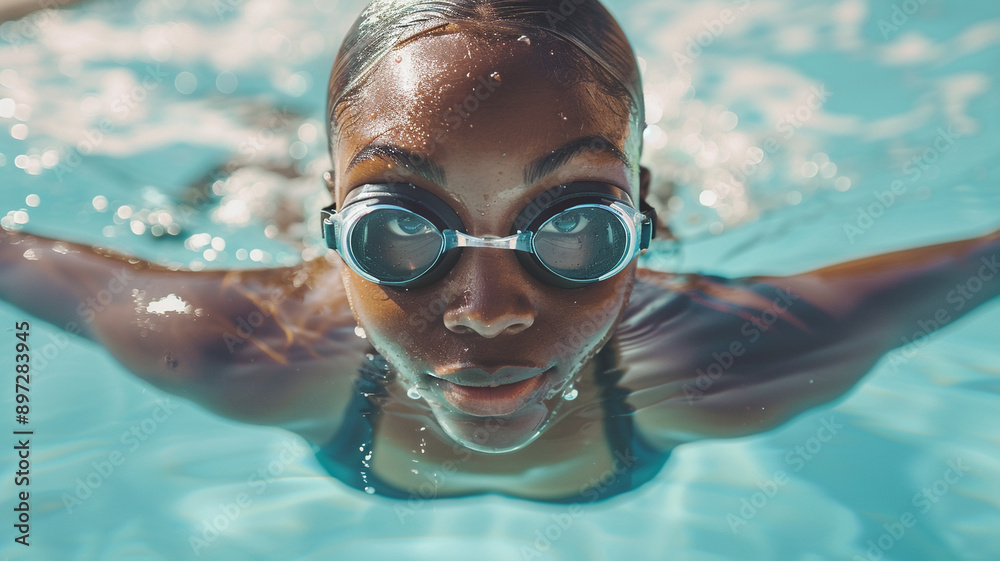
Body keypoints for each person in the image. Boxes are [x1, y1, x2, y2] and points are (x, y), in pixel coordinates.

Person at [2, 0, 999, 503]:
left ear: (639, 223)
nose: (488, 308)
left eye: (576, 228)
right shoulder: (242, 345)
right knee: (239, 175)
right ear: (332, 223)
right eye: (398, 229)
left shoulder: (731, 359)